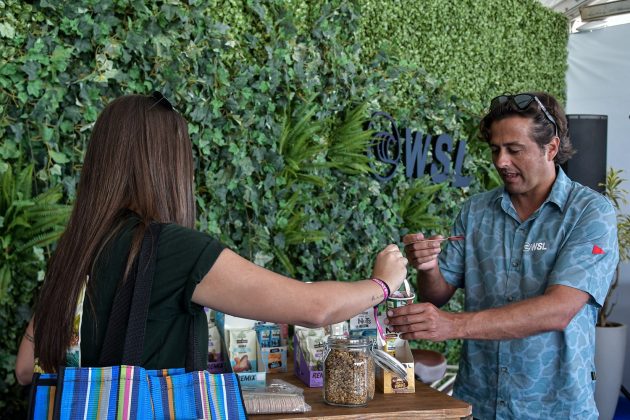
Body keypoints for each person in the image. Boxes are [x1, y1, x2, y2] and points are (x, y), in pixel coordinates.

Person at [15, 93, 408, 385]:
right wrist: (382, 284)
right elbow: (314, 308)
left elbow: (24, 370)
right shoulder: (169, 248)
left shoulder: (79, 246)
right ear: (168, 165)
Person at [386, 92, 619, 419]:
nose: (500, 161)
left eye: (514, 150)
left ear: (550, 148)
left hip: (555, 408)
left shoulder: (589, 213)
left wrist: (452, 326)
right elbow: (435, 294)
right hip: (479, 403)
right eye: (495, 149)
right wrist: (427, 268)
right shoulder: (476, 210)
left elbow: (558, 310)